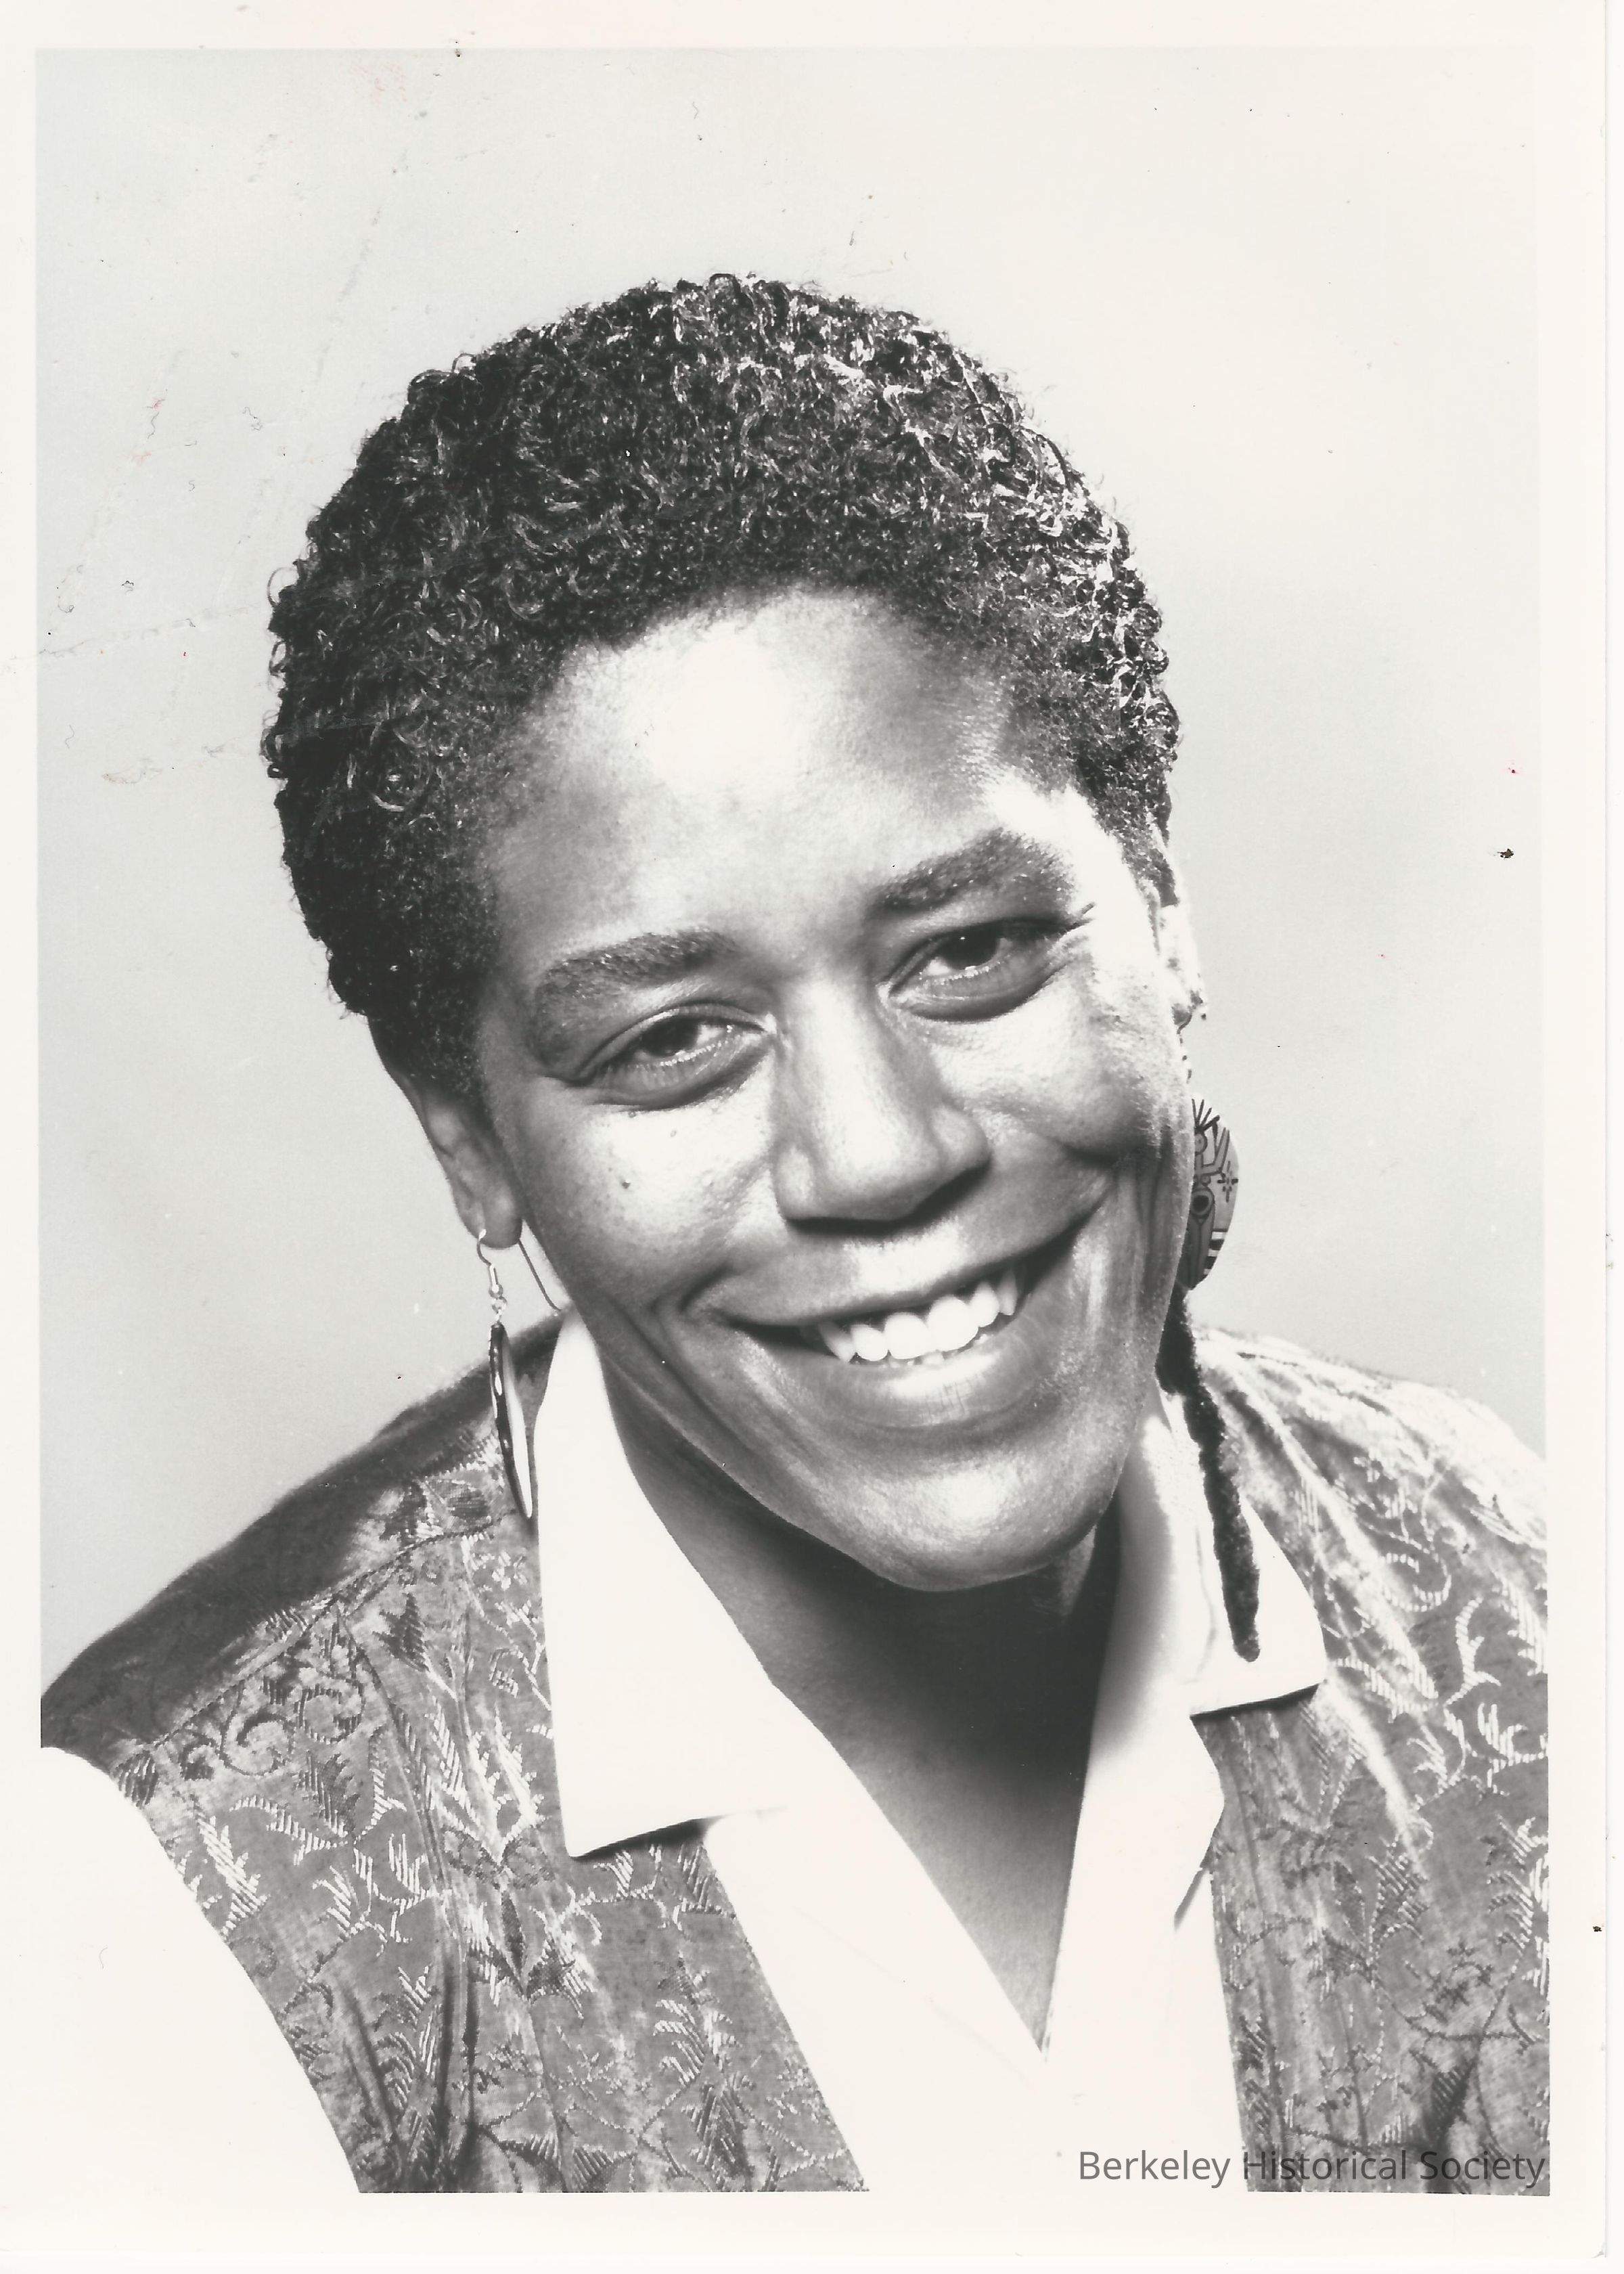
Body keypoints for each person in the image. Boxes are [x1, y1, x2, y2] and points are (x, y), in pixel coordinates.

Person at [43, 275, 1546, 2198]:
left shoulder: (1519, 1590)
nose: (881, 1155)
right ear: (470, 1140)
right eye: (675, 1041)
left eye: (970, 950)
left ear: (1162, 900)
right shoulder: (155, 1909)